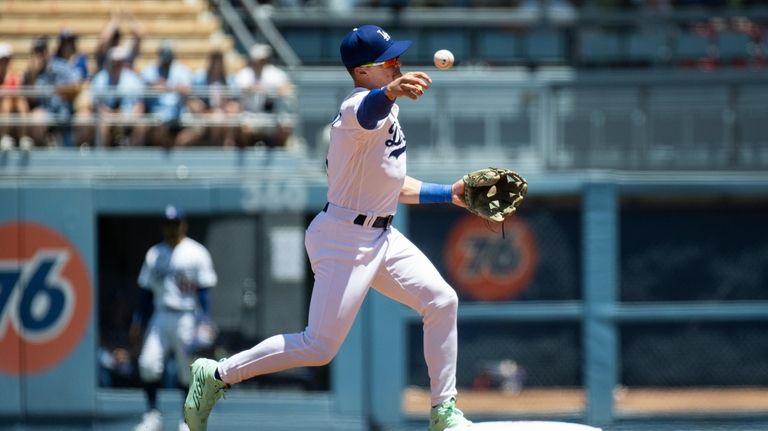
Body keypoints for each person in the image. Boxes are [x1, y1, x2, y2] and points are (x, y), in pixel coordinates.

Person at [184, 25, 473, 431]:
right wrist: (390, 91)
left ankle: (444, 411)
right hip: (344, 239)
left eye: (397, 58)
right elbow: (368, 109)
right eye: (388, 61)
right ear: (361, 71)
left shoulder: (386, 110)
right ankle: (216, 375)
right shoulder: (355, 110)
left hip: (380, 234)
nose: (398, 64)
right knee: (318, 346)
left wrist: (449, 193)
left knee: (442, 300)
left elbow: (390, 185)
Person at [131, 205, 218, 431]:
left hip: (187, 316)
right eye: (168, 224)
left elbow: (205, 291)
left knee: (186, 371)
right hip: (161, 314)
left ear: (184, 225)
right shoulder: (154, 254)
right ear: (163, 226)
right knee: (148, 364)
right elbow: (145, 293)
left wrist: (205, 320)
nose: (172, 228)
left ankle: (186, 419)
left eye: (175, 223)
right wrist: (138, 320)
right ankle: (152, 415)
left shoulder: (196, 252)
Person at [21, 36, 82, 147]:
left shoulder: (61, 66)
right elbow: (31, 99)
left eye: (43, 50)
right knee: (36, 117)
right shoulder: (30, 73)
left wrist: (59, 90)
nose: (41, 55)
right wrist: (33, 74)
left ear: (48, 51)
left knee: (84, 119)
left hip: (65, 114)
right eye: (37, 51)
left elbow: (77, 86)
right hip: (45, 116)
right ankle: (45, 150)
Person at [232, 43, 295, 147]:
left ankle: (277, 151)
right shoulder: (245, 73)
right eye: (258, 59)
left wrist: (271, 91)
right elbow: (242, 87)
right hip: (249, 113)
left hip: (270, 115)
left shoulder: (274, 73)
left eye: (263, 59)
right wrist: (255, 89)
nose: (261, 62)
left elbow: (286, 88)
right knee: (244, 128)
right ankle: (248, 151)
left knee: (285, 126)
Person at [88, 46, 147, 147]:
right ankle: (103, 159)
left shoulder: (133, 78)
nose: (117, 64)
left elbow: (140, 104)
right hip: (106, 117)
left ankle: (133, 158)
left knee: (142, 126)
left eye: (120, 61)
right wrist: (108, 114)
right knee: (102, 127)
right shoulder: (100, 78)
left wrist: (130, 116)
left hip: (129, 116)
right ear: (110, 61)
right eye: (115, 61)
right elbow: (95, 104)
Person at [140, 40, 192, 148]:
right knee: (144, 127)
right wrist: (166, 87)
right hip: (155, 115)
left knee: (197, 129)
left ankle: (175, 150)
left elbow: (186, 89)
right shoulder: (149, 70)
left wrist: (168, 87)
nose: (166, 62)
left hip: (177, 116)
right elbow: (148, 84)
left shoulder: (181, 70)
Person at [0, 42, 32, 151]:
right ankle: (4, 137)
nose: (3, 63)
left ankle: (23, 138)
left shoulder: (14, 76)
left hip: (11, 109)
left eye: (6, 60)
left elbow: (18, 92)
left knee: (20, 101)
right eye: (1, 60)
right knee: (7, 101)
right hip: (4, 108)